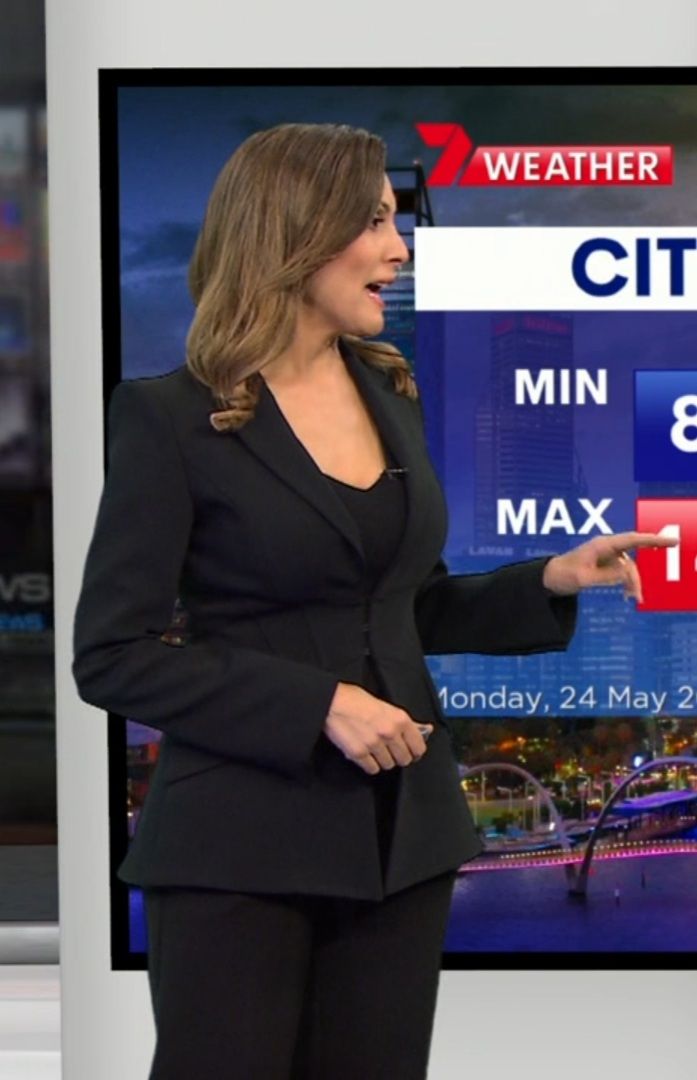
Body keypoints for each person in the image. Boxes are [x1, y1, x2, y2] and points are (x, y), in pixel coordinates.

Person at [72, 122, 673, 1080]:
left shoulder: (391, 394)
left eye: (397, 224)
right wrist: (318, 704)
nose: (399, 250)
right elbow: (114, 655)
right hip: (237, 849)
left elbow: (402, 608)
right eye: (375, 223)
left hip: (404, 842)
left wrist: (548, 579)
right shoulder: (167, 418)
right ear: (295, 231)